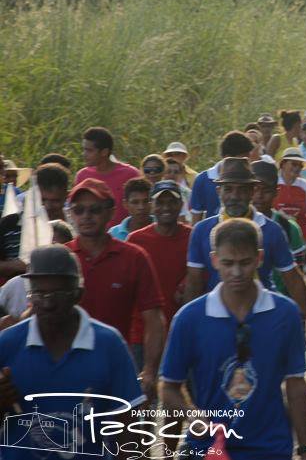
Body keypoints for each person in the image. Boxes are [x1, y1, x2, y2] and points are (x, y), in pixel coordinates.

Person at [160, 218, 306, 460]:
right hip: (208, 449)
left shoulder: (285, 314)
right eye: (227, 263)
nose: (237, 272)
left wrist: (305, 449)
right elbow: (169, 386)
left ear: (259, 258)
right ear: (213, 261)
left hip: (270, 448)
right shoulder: (189, 319)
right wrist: (192, 414)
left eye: (245, 262)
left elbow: (296, 384)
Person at [0, 246, 146, 458]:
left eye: (57, 294)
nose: (47, 303)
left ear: (78, 295)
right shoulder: (8, 344)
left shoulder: (108, 344)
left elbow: (128, 431)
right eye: (39, 293)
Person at [183, 158, 306, 351]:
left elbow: (293, 279)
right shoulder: (202, 231)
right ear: (219, 192)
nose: (235, 196)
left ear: (252, 191)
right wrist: (189, 328)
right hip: (217, 321)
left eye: (242, 189)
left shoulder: (272, 230)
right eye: (228, 189)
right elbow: (194, 282)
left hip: (263, 319)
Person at [65, 178, 165, 401]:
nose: (86, 216)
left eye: (94, 209)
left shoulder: (134, 257)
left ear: (111, 212)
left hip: (116, 368)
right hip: (65, 369)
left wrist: (149, 371)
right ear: (70, 214)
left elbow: (154, 318)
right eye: (79, 210)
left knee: (128, 434)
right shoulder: (61, 258)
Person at [126, 180, 191, 370]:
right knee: (143, 396)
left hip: (181, 333)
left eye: (172, 202)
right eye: (160, 203)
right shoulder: (136, 240)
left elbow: (201, 274)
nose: (166, 208)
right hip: (141, 335)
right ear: (152, 206)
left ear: (180, 205)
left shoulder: (193, 237)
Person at [250, 159, 306, 292]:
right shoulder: (232, 224)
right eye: (254, 189)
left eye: (266, 190)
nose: (259, 195)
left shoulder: (288, 228)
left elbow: (296, 277)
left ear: (276, 192)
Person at [75, 126, 141, 226]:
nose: (84, 154)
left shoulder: (130, 174)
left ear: (104, 152)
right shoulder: (82, 176)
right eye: (84, 149)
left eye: (89, 150)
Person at [190, 130, 255, 223]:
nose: (247, 164)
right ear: (227, 157)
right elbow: (196, 218)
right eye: (242, 159)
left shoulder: (250, 179)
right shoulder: (202, 180)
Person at [275, 148, 306, 252]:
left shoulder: (304, 185)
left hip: (302, 239)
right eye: (293, 164)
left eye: (299, 166)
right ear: (283, 164)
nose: (297, 168)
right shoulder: (274, 184)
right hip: (278, 238)